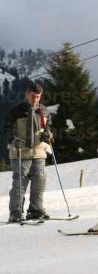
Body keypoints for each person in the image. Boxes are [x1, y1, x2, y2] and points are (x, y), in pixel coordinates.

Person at [4, 82, 52, 222]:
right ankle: (16, 212)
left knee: (39, 181)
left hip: (39, 152)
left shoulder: (44, 111)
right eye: (33, 96)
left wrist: (48, 134)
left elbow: (48, 128)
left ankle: (36, 210)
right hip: (20, 152)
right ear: (27, 94)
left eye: (38, 96)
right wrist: (13, 139)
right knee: (20, 183)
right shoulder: (16, 111)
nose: (35, 99)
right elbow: (7, 128)